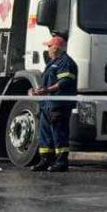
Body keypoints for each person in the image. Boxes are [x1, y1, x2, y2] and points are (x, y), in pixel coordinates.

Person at [30, 34, 78, 172]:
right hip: (47, 104)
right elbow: (46, 82)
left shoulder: (66, 62)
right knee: (45, 133)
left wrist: (47, 90)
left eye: (49, 46)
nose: (48, 49)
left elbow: (64, 82)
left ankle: (61, 162)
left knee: (59, 133)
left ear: (56, 48)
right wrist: (36, 90)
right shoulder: (52, 62)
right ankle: (45, 160)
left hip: (59, 104)